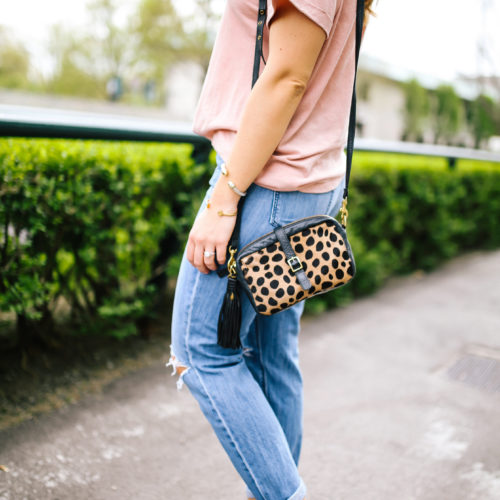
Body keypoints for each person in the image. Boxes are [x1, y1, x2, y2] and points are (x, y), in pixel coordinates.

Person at [167, 0, 375, 498]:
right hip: (304, 180)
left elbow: (287, 77)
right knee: (271, 355)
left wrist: (224, 198)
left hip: (268, 180)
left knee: (201, 351)